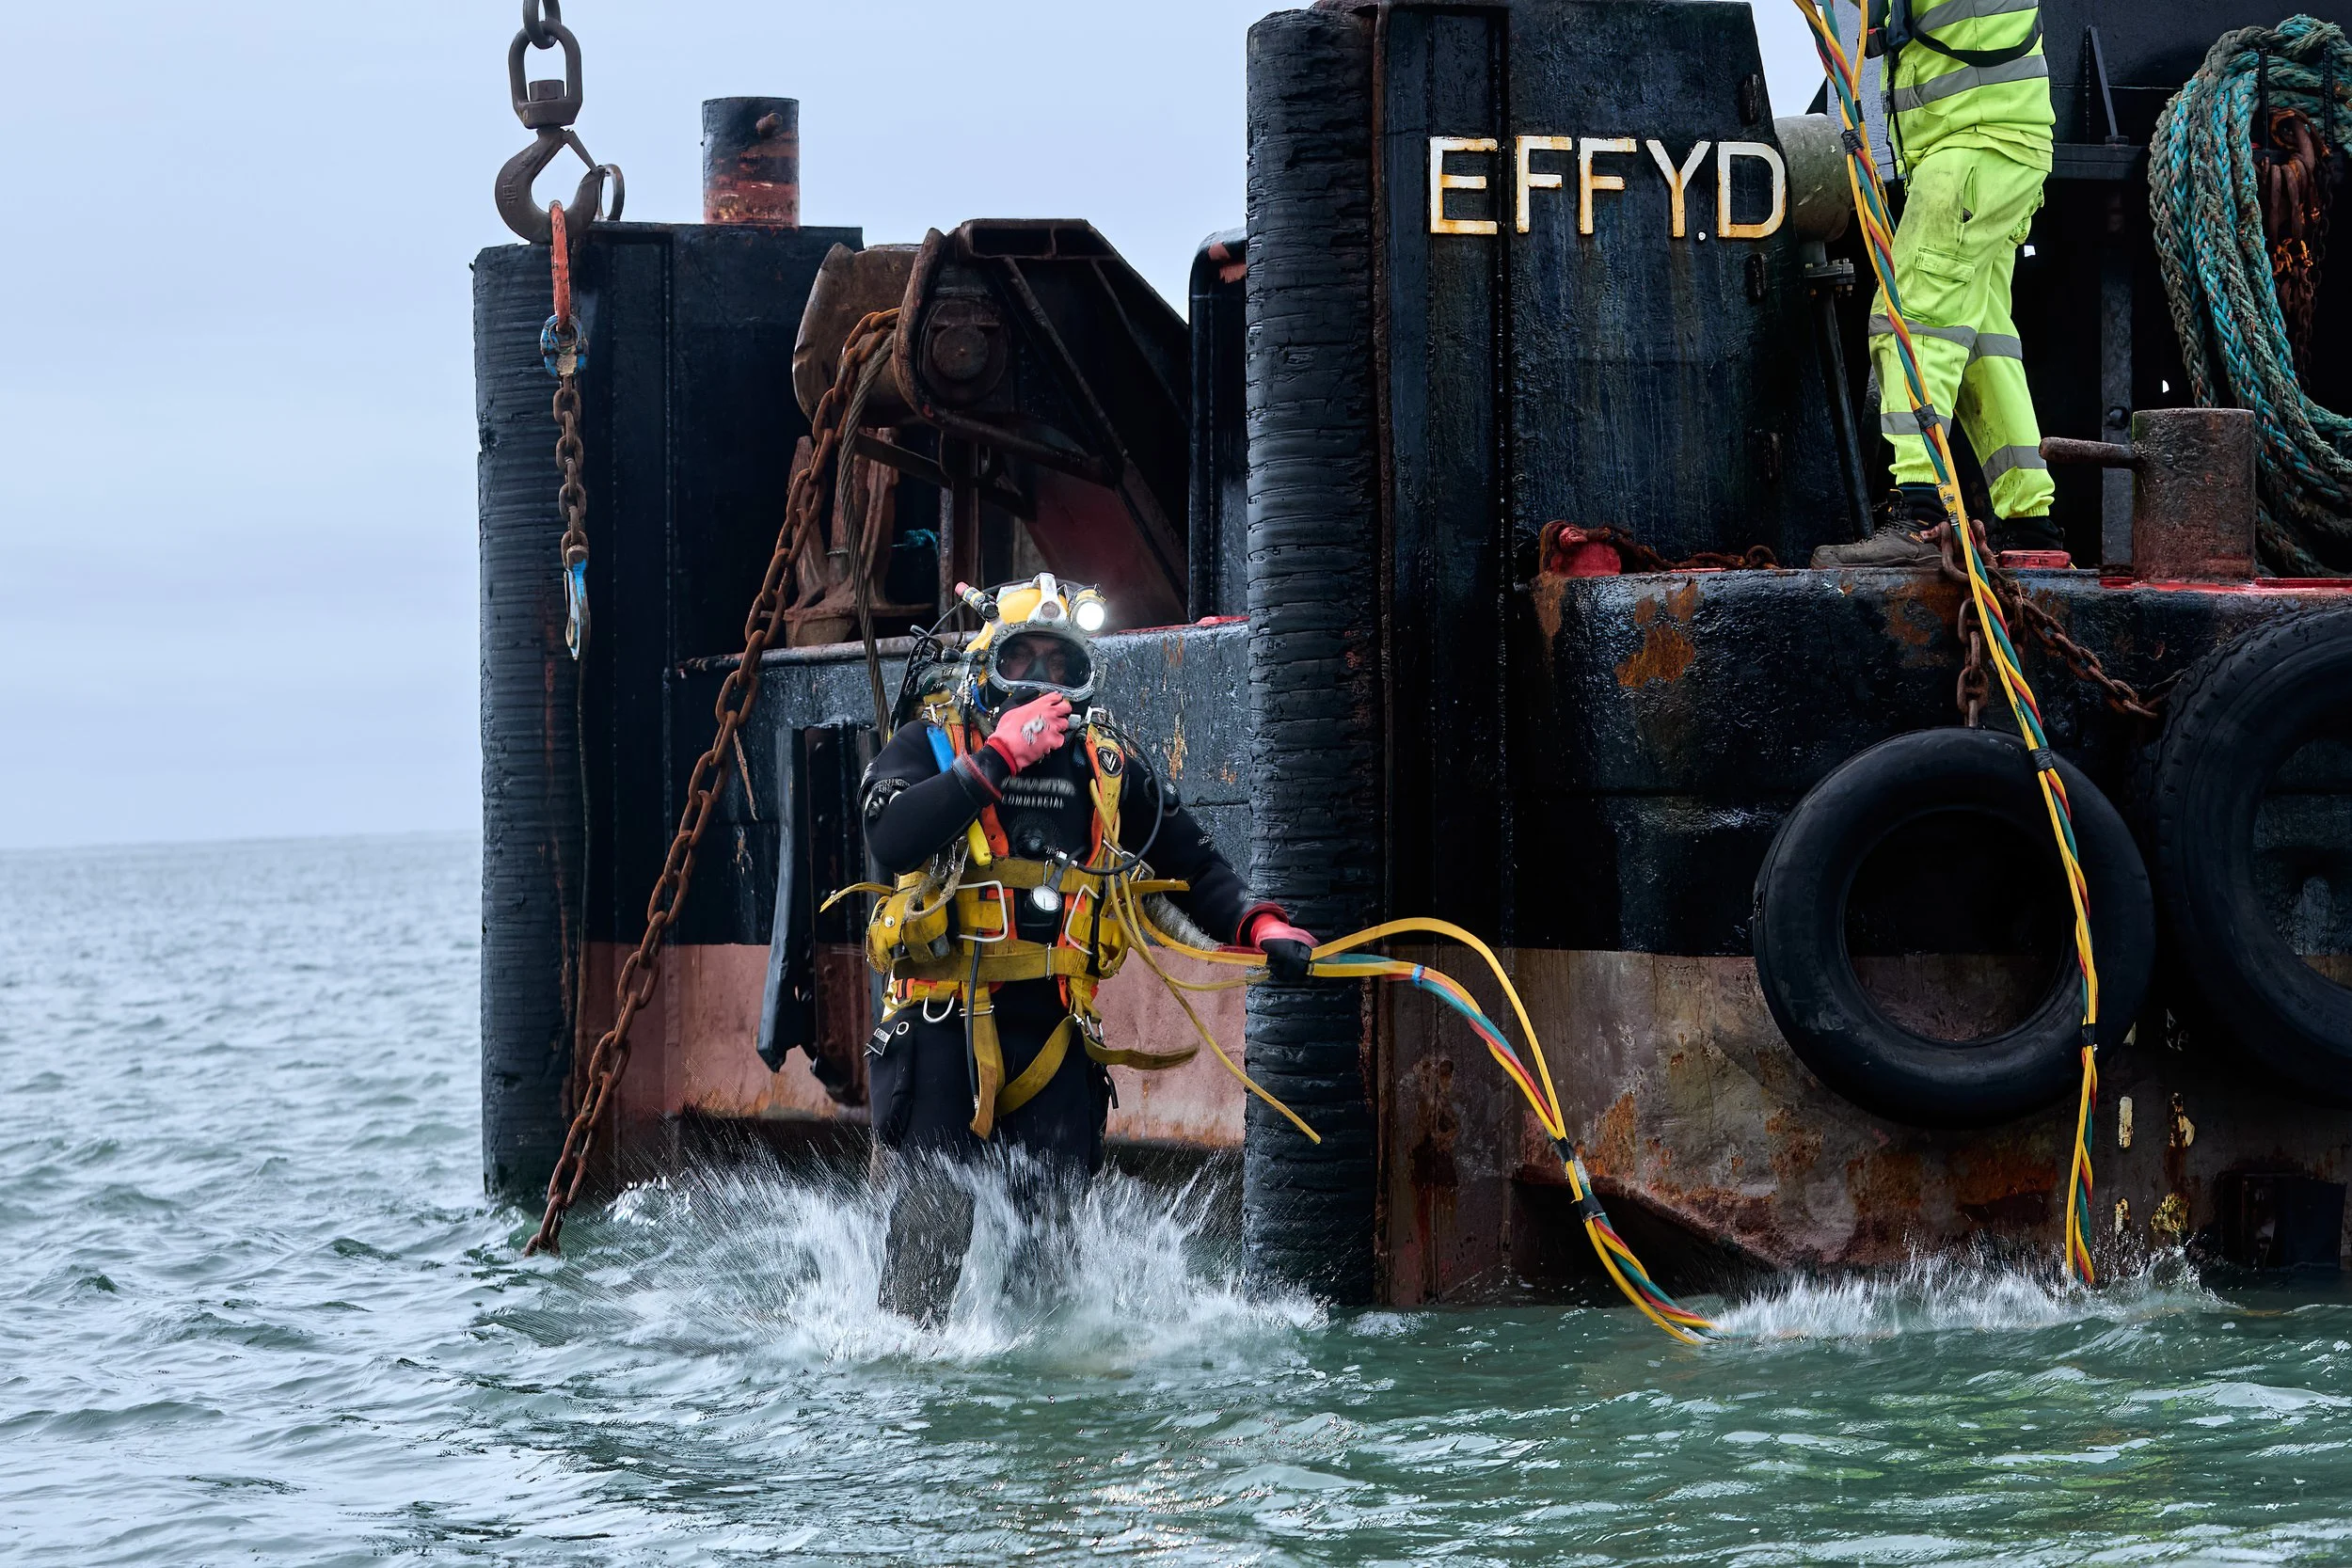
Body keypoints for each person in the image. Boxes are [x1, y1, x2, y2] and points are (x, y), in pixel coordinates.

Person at [850, 573, 1314, 1322]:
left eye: (1061, 665)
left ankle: (1045, 1408)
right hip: (941, 1038)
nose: (1045, 681)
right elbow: (890, 832)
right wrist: (995, 758)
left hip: (1056, 1039)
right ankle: (909, 1400)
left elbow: (1192, 866)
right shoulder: (932, 745)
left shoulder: (1105, 767)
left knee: (1054, 1264)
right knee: (930, 1237)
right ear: (986, 664)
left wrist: (1261, 927)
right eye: (1024, 660)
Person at [1813, 0, 2061, 568]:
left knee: (1911, 319)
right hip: (1988, 144)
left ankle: (1921, 516)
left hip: (1973, 147)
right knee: (1983, 344)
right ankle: (2032, 526)